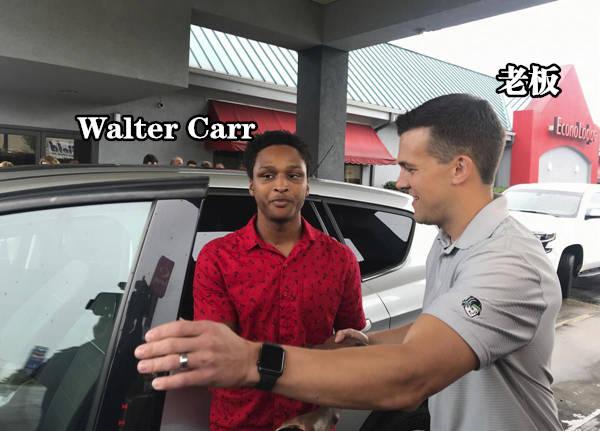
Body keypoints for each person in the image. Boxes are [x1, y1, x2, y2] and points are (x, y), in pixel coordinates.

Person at [135, 94, 563, 431]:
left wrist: (252, 361)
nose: (400, 181)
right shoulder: (449, 244)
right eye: (267, 176)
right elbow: (432, 330)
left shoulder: (508, 262)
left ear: (459, 169)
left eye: (410, 168)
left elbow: (410, 378)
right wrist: (365, 344)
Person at [190, 130, 365, 431]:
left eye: (293, 176)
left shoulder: (340, 259)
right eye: (267, 176)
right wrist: (311, 357)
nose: (281, 185)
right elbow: (219, 354)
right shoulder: (217, 258)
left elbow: (352, 346)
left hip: (310, 422)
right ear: (252, 186)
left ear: (307, 185)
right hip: (238, 423)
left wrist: (329, 411)